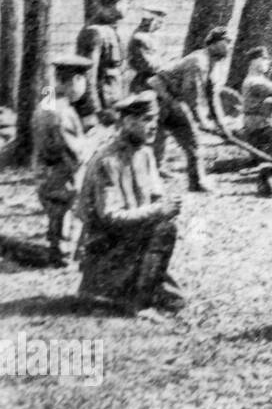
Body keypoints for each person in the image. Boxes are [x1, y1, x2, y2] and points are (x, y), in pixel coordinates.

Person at [76, 91, 184, 319]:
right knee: (165, 230)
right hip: (106, 246)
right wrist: (158, 211)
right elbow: (110, 217)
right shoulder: (108, 160)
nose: (154, 126)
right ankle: (138, 303)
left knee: (177, 300)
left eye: (155, 119)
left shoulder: (145, 154)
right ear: (127, 122)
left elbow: (155, 198)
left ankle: (136, 286)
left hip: (132, 239)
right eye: (146, 120)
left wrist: (166, 205)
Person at [148, 27, 234, 192]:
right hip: (159, 96)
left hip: (171, 98)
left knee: (161, 140)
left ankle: (156, 177)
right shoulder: (198, 62)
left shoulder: (213, 65)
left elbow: (213, 97)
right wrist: (201, 121)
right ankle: (197, 182)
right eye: (226, 42)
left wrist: (222, 125)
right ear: (212, 44)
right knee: (192, 141)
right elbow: (192, 95)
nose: (229, 47)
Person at [33, 54, 94, 267]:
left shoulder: (48, 99)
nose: (85, 87)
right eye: (83, 81)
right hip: (62, 173)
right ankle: (62, 256)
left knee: (56, 214)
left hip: (45, 170)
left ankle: (57, 251)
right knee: (65, 213)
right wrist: (91, 145)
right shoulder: (63, 113)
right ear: (76, 81)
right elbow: (75, 152)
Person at [74, 0, 132, 128]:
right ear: (116, 4)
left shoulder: (114, 29)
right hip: (102, 109)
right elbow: (88, 76)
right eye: (127, 2)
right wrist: (93, 111)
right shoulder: (94, 32)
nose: (129, 6)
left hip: (115, 103)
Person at [126, 7, 168, 93]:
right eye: (159, 22)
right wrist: (164, 65)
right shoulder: (140, 37)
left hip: (152, 79)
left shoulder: (150, 36)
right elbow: (149, 65)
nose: (159, 27)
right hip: (145, 82)